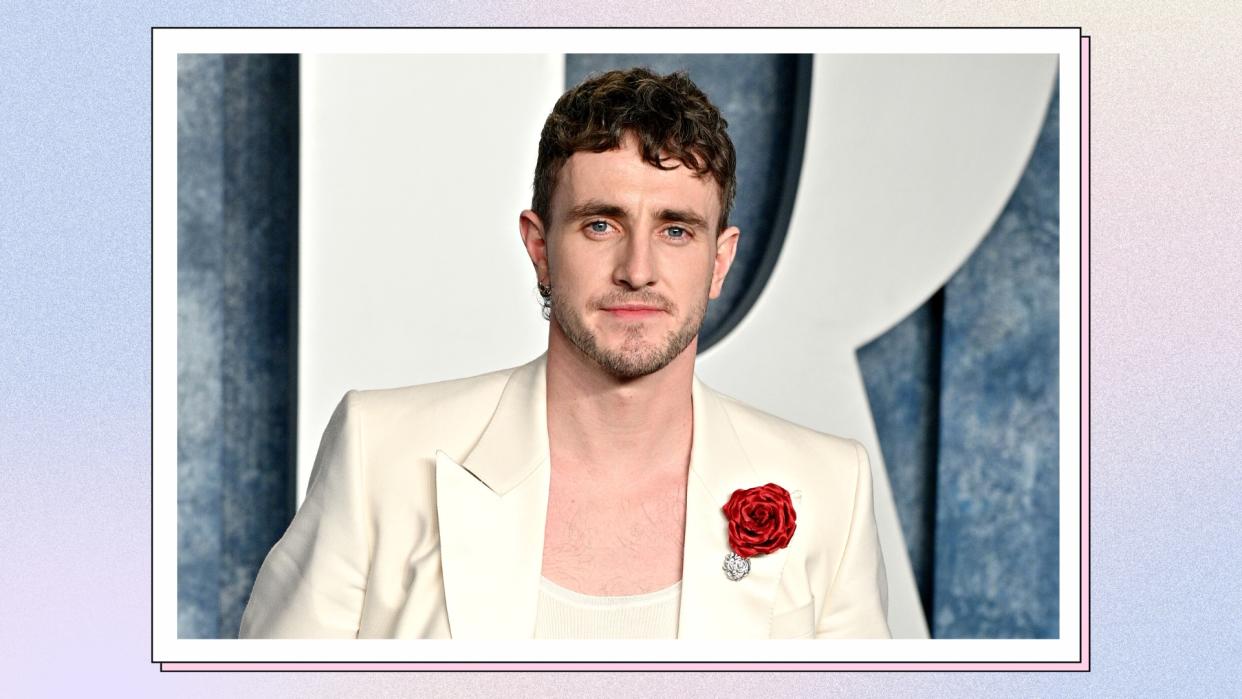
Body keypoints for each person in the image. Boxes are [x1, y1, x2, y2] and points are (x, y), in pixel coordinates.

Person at [239, 67, 890, 640]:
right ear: (540, 245)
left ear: (719, 261)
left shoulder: (830, 488)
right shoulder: (379, 454)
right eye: (601, 223)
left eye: (676, 229)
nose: (638, 269)